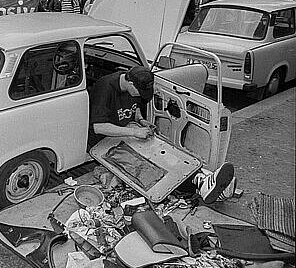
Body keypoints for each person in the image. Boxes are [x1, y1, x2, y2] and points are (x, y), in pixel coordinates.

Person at [88, 66, 236, 204]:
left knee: (160, 149)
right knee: (147, 167)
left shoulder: (133, 86)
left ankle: (202, 177)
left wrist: (141, 120)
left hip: (126, 130)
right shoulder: (105, 87)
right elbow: (99, 127)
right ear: (130, 83)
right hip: (105, 140)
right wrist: (135, 132)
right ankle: (200, 182)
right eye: (139, 92)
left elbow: (135, 108)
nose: (140, 95)